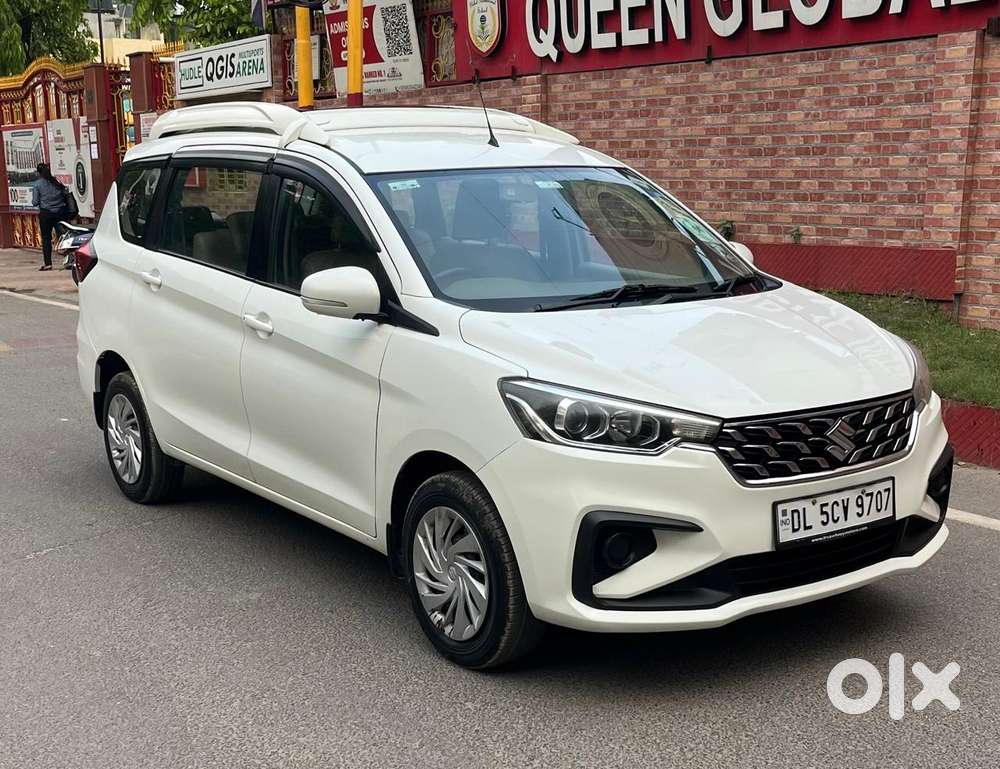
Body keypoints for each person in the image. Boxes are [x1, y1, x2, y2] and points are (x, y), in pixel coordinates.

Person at [31, 163, 71, 271]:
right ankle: (68, 262)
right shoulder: (56, 181)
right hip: (60, 213)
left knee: (46, 239)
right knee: (63, 237)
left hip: (46, 214)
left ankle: (48, 264)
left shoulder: (37, 184)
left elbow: (34, 202)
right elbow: (64, 194)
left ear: (38, 173)